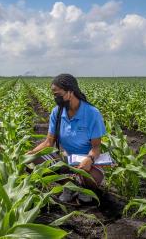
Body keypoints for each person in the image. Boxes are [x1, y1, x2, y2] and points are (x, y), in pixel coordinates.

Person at [28, 73, 106, 204]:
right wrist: (29, 154)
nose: (55, 98)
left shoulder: (92, 113)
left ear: (71, 91)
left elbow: (96, 147)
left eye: (58, 94)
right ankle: (69, 186)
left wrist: (90, 159)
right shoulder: (57, 112)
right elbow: (48, 143)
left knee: (92, 177)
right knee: (36, 158)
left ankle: (84, 188)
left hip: (87, 160)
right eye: (54, 95)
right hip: (67, 158)